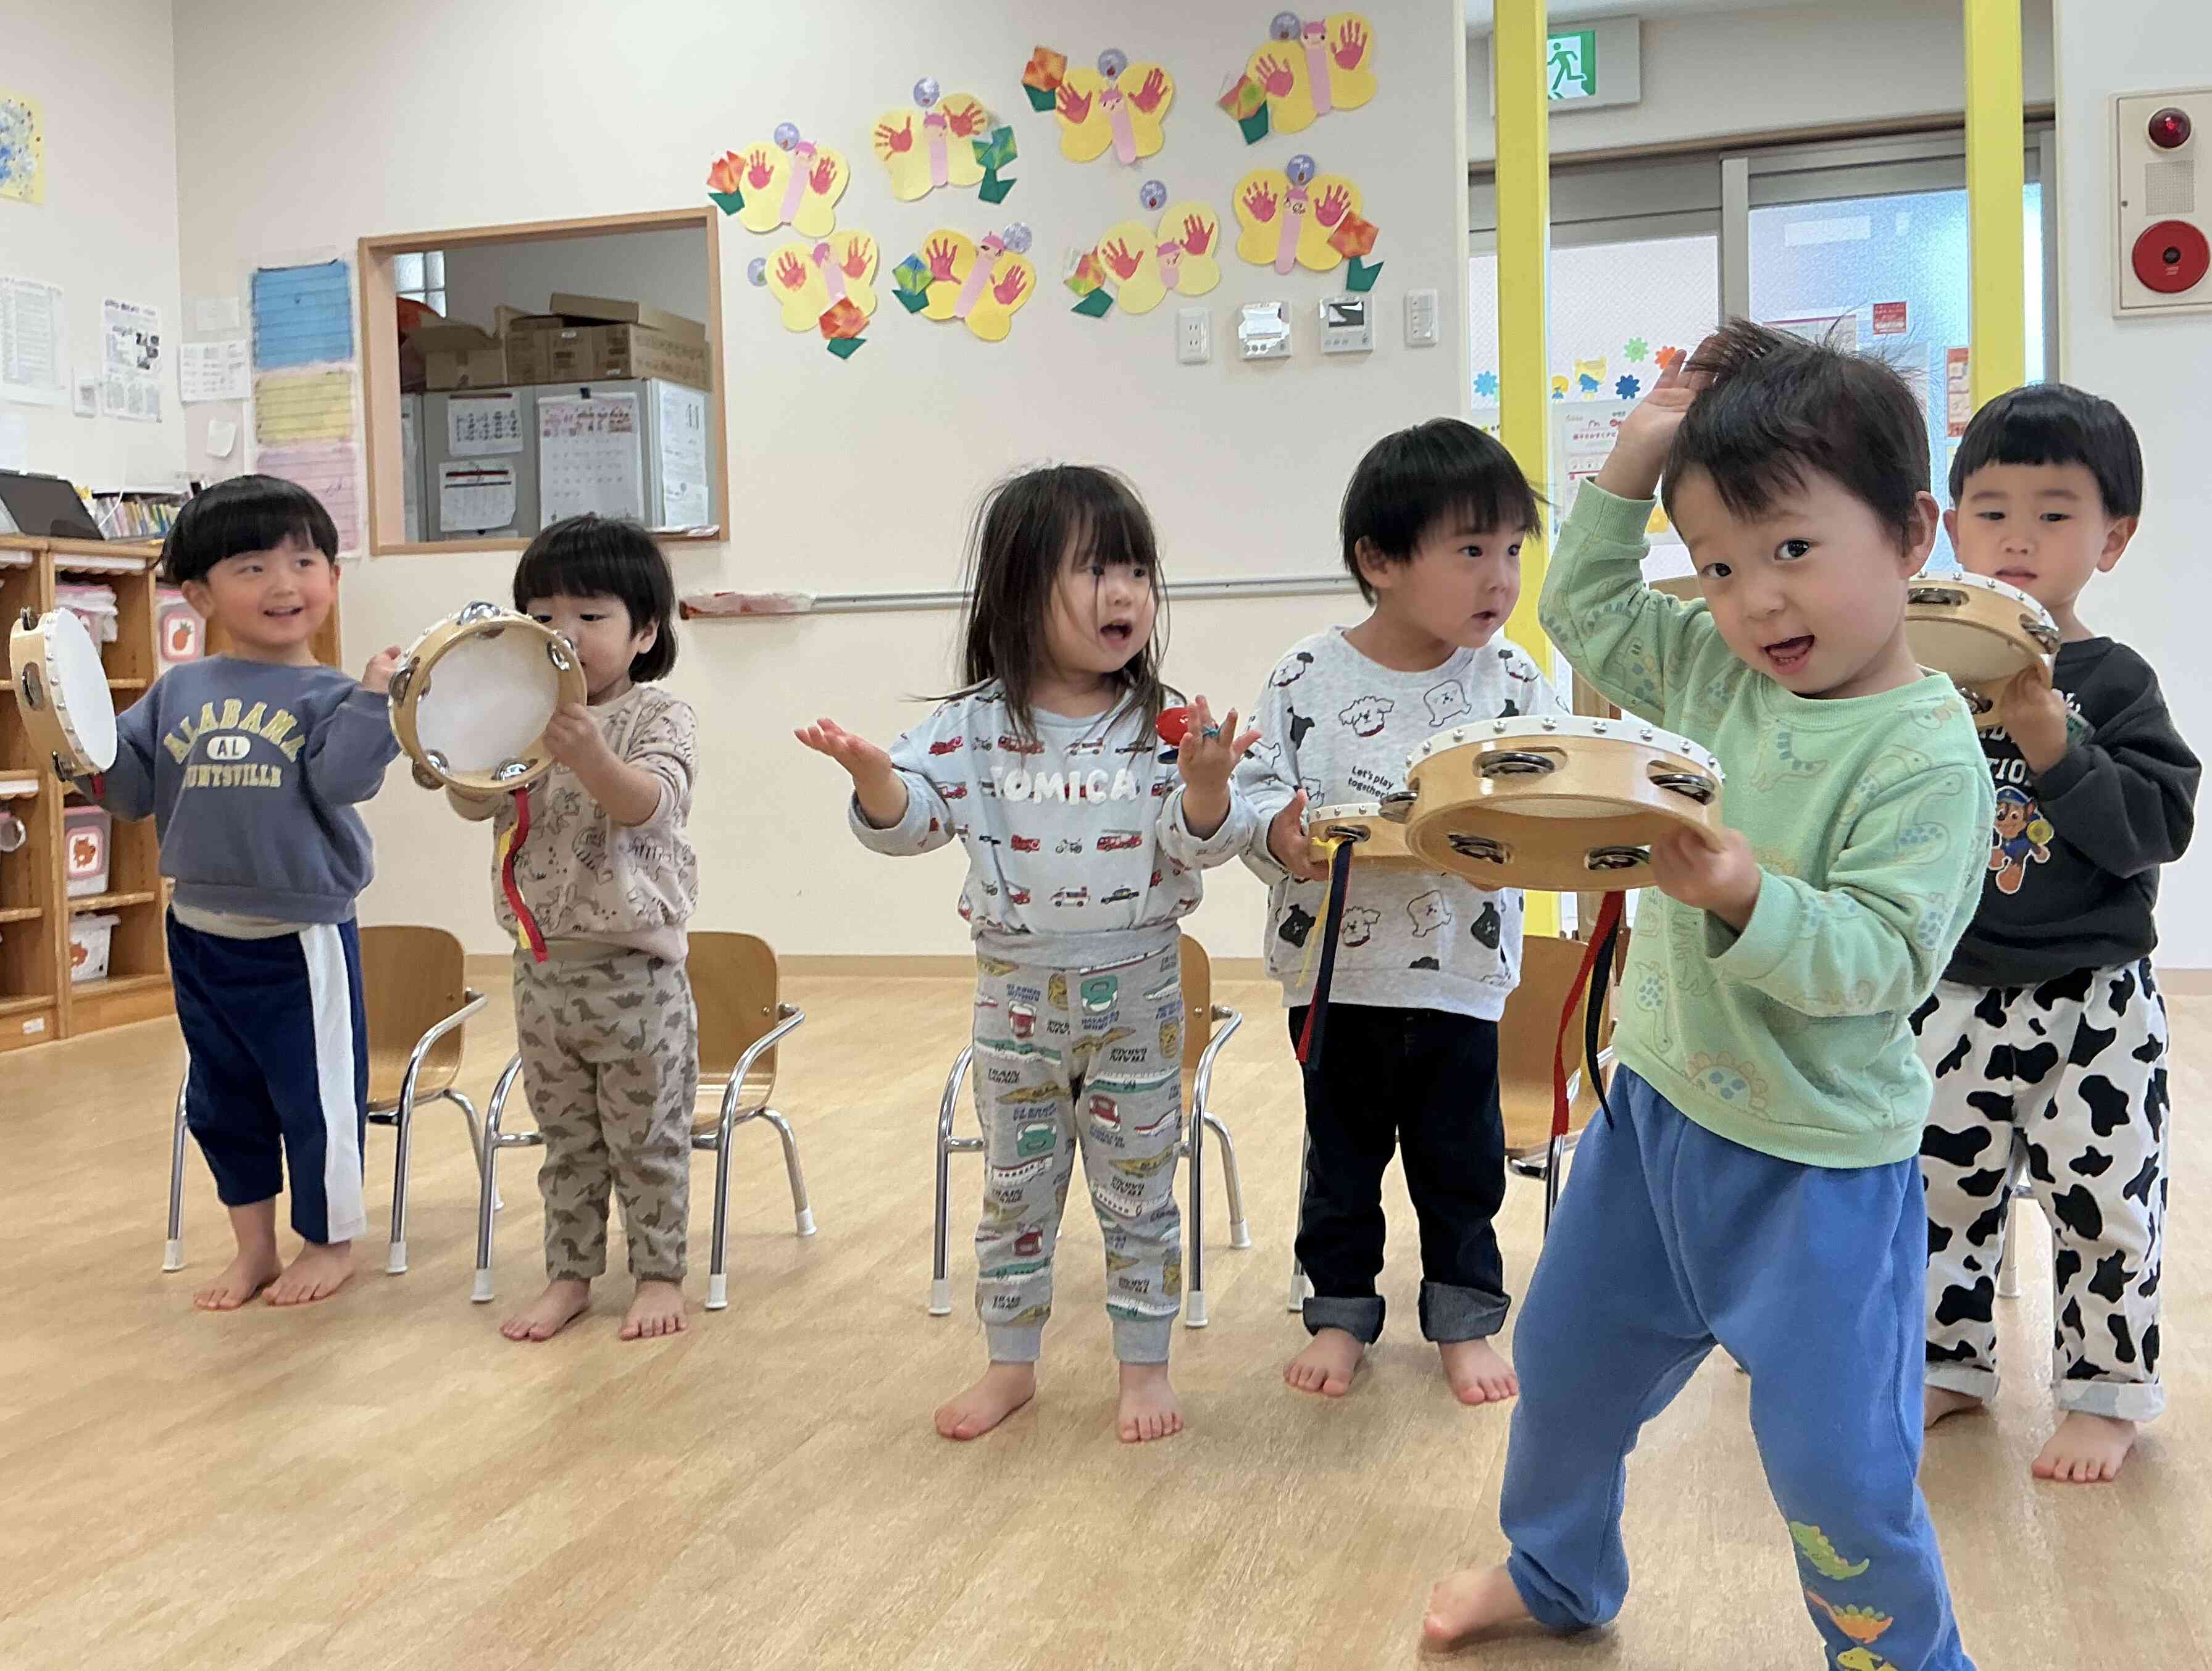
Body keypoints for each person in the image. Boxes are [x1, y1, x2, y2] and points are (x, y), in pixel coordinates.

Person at [1423, 323, 1990, 1670]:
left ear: (1911, 534)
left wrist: (1746, 893)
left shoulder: (1926, 751)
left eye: (1792, 550)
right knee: (1562, 1378)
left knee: (1837, 1474)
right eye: (1721, 566)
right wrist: (1629, 467)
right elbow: (1592, 613)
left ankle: (1902, 1657)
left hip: (1817, 1178)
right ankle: (1558, 1571)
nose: (1756, 603)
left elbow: (1884, 962)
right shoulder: (1709, 664)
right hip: (1653, 1122)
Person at [798, 464, 1254, 1444]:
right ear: (1018, 586)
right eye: (1095, 569)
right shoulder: (971, 725)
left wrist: (1211, 788)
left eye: (1137, 569)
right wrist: (877, 778)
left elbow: (1205, 839)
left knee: (1140, 1192)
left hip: (1139, 990)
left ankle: (1144, 1368)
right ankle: (1011, 1363)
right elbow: (911, 824)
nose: (1125, 591)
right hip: (1014, 997)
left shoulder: (1165, 723)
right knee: (1015, 1190)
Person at [1235, 418, 1559, 1406]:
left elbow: (1542, 807)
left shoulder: (1511, 681)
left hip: (1462, 973)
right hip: (1335, 975)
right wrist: (1281, 836)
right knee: (1340, 1164)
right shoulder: (1306, 676)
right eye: (1470, 552)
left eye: (1511, 551)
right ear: (1380, 560)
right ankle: (1340, 1313)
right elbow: (1255, 797)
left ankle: (1464, 1319)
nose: (1499, 579)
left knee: (1461, 1163)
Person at [1914, 383, 2197, 1483]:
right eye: (1990, 509)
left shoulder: (2117, 682)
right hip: (1951, 992)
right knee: (1940, 1194)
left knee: (2108, 1203)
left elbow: (2151, 833)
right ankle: (1948, 1362)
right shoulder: (1921, 679)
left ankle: (2107, 1390)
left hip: (2096, 1002)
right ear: (1948, 525)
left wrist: (2054, 743)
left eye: (2055, 512)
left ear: (2113, 540)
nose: (2017, 536)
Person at [92, 474, 401, 1310]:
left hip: (301, 936)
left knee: (315, 1099)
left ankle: (329, 1243)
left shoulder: (335, 695)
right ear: (199, 593)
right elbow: (125, 794)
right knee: (222, 1099)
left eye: (305, 561)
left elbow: (344, 781)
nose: (284, 584)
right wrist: (76, 730)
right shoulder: (177, 691)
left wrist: (376, 699)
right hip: (198, 929)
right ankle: (253, 1247)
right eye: (252, 566)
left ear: (333, 579)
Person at [448, 515, 699, 1344]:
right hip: (542, 969)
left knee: (647, 1139)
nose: (564, 634)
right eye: (544, 614)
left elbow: (647, 804)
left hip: (634, 973)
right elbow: (472, 799)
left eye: (591, 616)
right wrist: (454, 745)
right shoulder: (519, 715)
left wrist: (589, 753)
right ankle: (570, 1275)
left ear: (645, 632)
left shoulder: (657, 715)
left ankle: (659, 1272)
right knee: (567, 1143)